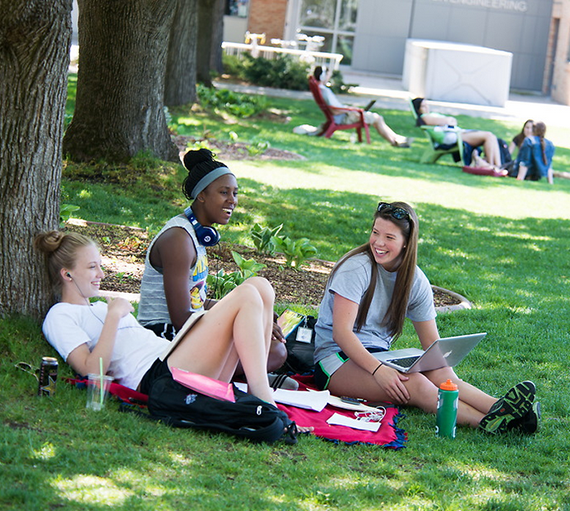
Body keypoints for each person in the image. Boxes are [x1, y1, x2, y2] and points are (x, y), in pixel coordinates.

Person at [34, 230, 311, 434]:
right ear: (67, 275)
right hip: (160, 379)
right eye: (92, 267)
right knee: (248, 294)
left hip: (173, 356)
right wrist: (114, 317)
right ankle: (263, 400)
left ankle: (256, 393)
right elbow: (90, 369)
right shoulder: (59, 316)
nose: (101, 274)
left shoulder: (99, 306)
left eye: (100, 265)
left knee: (260, 285)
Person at [313, 202, 540, 434]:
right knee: (418, 384)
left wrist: (442, 372)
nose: (379, 243)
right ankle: (489, 424)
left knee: (439, 373)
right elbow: (342, 334)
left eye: (389, 237)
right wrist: (378, 370)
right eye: (375, 233)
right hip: (335, 361)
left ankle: (502, 409)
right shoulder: (356, 268)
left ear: (405, 243)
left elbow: (432, 346)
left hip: (382, 356)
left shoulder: (415, 279)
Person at [137, 149, 294, 387]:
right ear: (201, 195)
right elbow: (181, 318)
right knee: (271, 351)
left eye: (235, 193)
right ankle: (253, 381)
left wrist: (253, 316)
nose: (233, 200)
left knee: (269, 340)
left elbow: (196, 302)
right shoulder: (178, 240)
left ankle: (248, 378)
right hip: (164, 339)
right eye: (224, 192)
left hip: (184, 332)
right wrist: (238, 321)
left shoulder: (195, 236)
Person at [314, 66, 413, 148]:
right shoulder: (325, 91)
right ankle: (394, 141)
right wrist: (351, 110)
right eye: (328, 75)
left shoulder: (322, 90)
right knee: (377, 119)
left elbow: (334, 109)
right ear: (323, 77)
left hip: (345, 115)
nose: (329, 77)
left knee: (376, 118)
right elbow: (334, 111)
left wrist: (349, 109)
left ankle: (397, 139)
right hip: (344, 117)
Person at [411, 97, 507, 173]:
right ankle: (491, 166)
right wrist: (449, 121)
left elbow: (452, 121)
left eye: (427, 105)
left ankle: (498, 165)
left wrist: (449, 121)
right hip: (452, 137)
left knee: (491, 136)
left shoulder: (431, 115)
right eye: (423, 106)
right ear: (418, 109)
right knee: (488, 136)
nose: (427, 108)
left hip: (456, 133)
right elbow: (448, 120)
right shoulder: (425, 117)